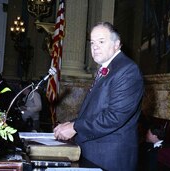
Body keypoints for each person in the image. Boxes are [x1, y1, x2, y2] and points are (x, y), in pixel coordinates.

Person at [53, 22, 144, 170]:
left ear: (117, 44)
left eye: (101, 41)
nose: (95, 47)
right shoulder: (107, 69)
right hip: (94, 151)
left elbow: (114, 117)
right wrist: (70, 124)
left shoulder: (127, 70)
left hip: (110, 157)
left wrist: (75, 127)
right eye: (92, 43)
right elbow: (95, 111)